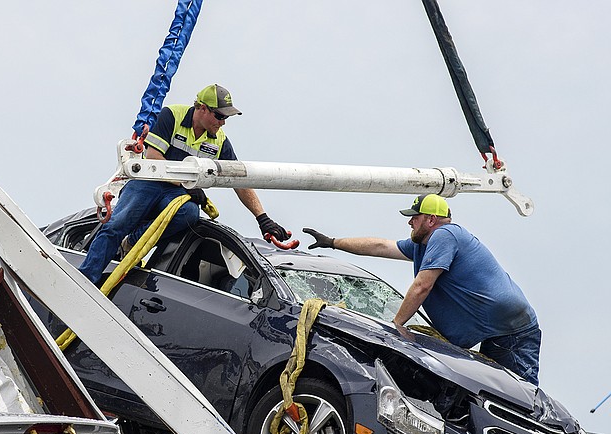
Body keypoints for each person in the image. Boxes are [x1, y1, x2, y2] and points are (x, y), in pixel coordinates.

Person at [303, 194, 541, 385]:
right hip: (494, 331)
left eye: (414, 217)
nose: (409, 222)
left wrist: (395, 327)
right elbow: (380, 246)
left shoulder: (445, 234)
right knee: (490, 394)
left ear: (430, 219)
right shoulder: (423, 246)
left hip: (512, 333)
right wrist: (333, 242)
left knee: (521, 399)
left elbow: (422, 286)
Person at [79, 84, 289, 285]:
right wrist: (187, 184)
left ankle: (132, 242)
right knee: (117, 223)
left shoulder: (219, 141)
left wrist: (263, 218)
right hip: (148, 182)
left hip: (176, 192)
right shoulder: (172, 116)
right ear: (202, 109)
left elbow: (239, 180)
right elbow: (153, 157)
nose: (223, 122)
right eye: (219, 116)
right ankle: (85, 281)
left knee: (188, 215)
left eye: (226, 117)